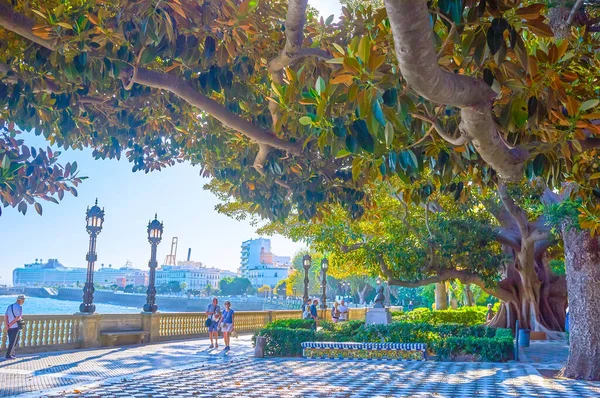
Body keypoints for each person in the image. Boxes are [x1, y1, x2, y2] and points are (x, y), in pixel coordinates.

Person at [4, 295, 25, 360]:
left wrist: (7, 325)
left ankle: (12, 353)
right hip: (15, 326)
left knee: (11, 341)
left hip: (9, 327)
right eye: (23, 300)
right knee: (14, 342)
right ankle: (8, 355)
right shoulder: (19, 307)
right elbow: (18, 317)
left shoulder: (10, 306)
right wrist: (10, 324)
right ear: (21, 300)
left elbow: (6, 316)